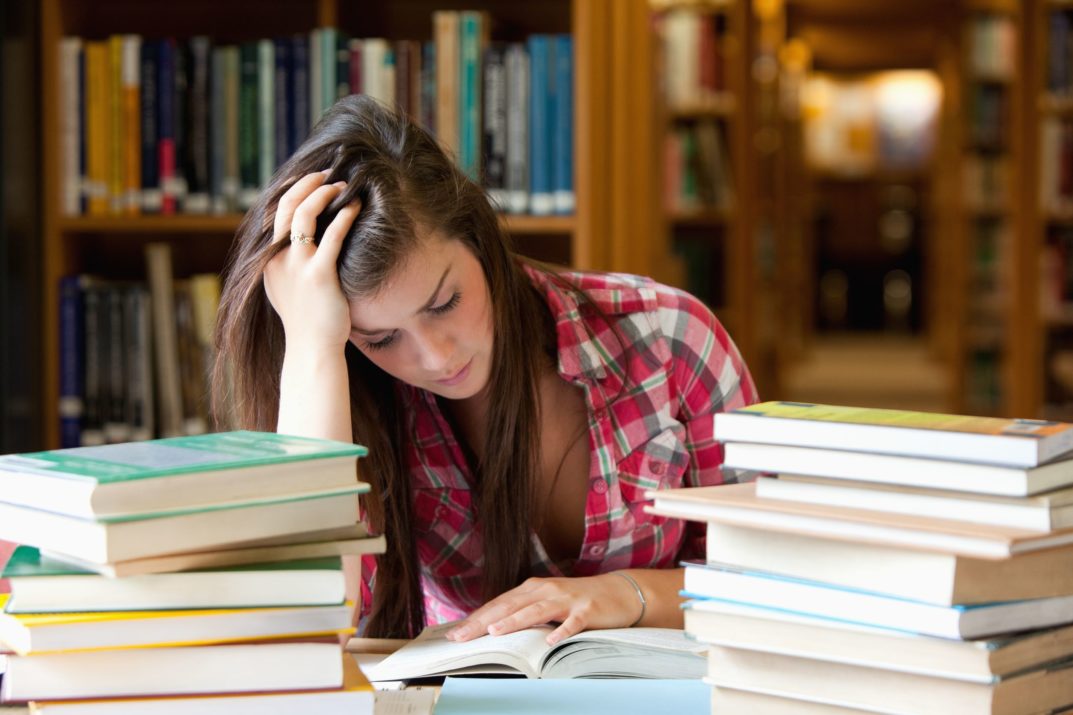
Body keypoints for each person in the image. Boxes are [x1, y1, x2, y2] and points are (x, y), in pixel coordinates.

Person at [213, 95, 758, 642]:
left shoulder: (670, 338)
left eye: (445, 302)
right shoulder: (350, 393)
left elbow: (776, 584)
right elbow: (313, 625)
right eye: (381, 339)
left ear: (480, 239)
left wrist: (626, 594)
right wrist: (311, 345)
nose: (436, 357)